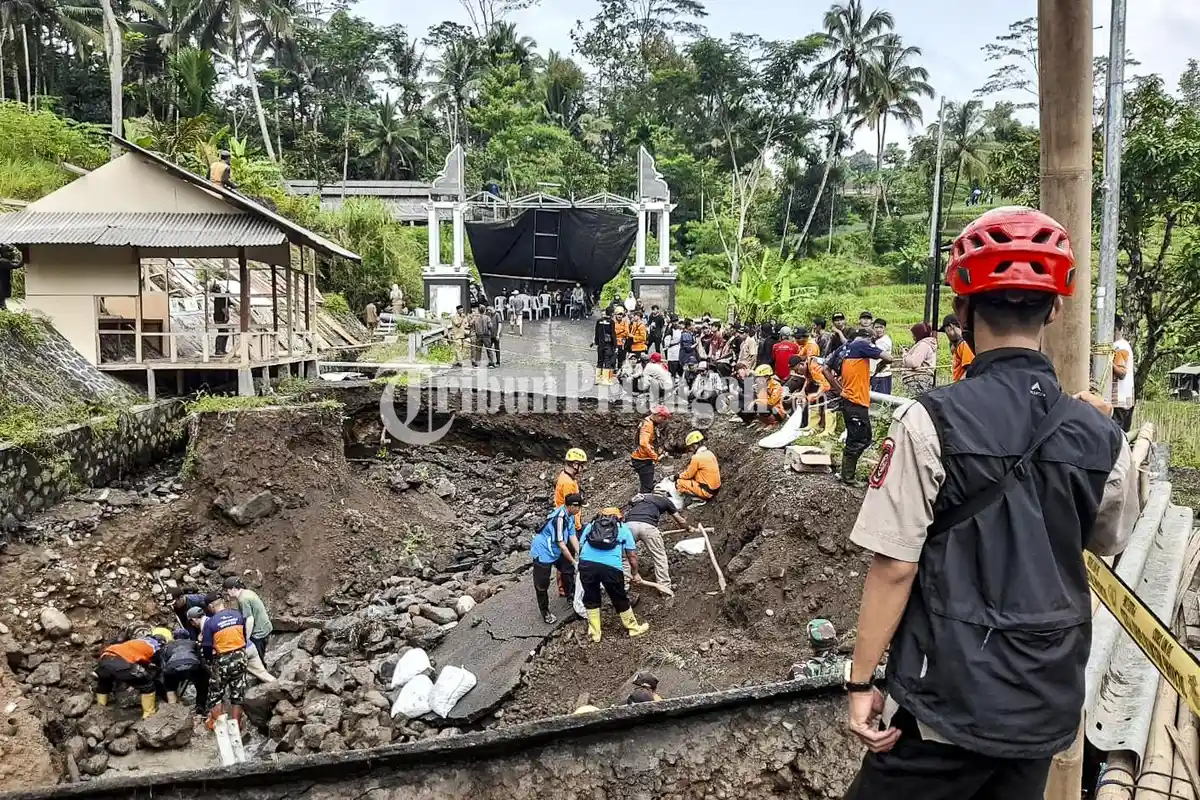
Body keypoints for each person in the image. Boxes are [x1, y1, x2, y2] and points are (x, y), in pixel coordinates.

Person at [842, 206, 1139, 800]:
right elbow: (1110, 539)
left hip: (948, 706)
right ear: (1056, 308)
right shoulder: (1099, 433)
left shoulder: (931, 420)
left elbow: (896, 566)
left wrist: (861, 682)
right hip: (1043, 702)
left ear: (961, 309)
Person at [822, 329, 891, 485]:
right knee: (859, 440)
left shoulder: (844, 348)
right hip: (856, 402)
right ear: (868, 339)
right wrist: (882, 362)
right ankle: (848, 477)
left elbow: (825, 368)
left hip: (850, 400)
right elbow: (889, 357)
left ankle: (846, 473)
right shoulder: (861, 344)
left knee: (862, 438)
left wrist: (839, 389)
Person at [577, 508, 650, 643]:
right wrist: (635, 573)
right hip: (611, 567)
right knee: (619, 597)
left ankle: (595, 634)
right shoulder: (622, 528)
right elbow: (632, 556)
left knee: (591, 596)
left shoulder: (592, 525)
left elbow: (581, 545)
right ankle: (633, 628)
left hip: (586, 564)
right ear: (619, 517)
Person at [531, 493, 583, 624]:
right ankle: (545, 611)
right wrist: (573, 560)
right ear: (571, 506)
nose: (580, 510)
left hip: (557, 550)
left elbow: (572, 537)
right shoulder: (558, 519)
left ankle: (570, 595)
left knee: (568, 570)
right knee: (542, 584)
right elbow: (562, 545)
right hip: (543, 551)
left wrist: (580, 554)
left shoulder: (570, 516)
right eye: (579, 507)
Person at [623, 489, 689, 591]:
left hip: (629, 526)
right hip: (649, 527)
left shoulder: (643, 498)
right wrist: (688, 528)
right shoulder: (665, 501)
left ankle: (624, 586)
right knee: (659, 557)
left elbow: (630, 505)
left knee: (624, 557)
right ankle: (664, 588)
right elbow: (680, 519)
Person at [95, 628, 170, 718]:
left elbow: (136, 656)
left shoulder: (137, 641)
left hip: (105, 658)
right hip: (122, 663)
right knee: (147, 684)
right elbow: (158, 668)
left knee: (105, 681)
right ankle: (149, 714)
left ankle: (100, 709)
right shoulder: (156, 647)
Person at [202, 596, 249, 730]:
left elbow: (206, 646)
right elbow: (244, 636)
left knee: (216, 694)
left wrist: (209, 661)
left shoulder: (210, 623)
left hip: (223, 660)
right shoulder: (237, 615)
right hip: (240, 656)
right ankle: (236, 726)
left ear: (211, 607)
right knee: (237, 692)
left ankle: (220, 726)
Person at [160, 630, 208, 715]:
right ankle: (200, 707)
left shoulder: (166, 647)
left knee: (170, 687)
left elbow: (163, 664)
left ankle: (173, 710)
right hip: (192, 666)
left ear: (174, 637)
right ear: (187, 637)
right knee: (202, 685)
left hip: (172, 668)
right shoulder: (194, 643)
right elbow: (200, 660)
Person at [224, 577, 273, 661]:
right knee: (262, 653)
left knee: (258, 658)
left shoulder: (243, 599)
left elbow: (250, 619)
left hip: (258, 633)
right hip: (266, 627)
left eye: (227, 590)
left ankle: (261, 670)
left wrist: (246, 639)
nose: (227, 593)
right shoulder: (248, 592)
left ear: (233, 589)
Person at [631, 406, 670, 493]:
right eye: (663, 419)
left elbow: (651, 441)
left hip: (642, 458)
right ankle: (643, 501)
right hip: (642, 460)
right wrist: (656, 457)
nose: (663, 421)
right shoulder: (648, 425)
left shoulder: (649, 421)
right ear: (658, 416)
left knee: (647, 481)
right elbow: (644, 444)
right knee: (646, 487)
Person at [675, 430, 721, 503]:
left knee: (679, 483)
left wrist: (677, 476)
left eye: (690, 447)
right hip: (715, 489)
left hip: (707, 491)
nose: (690, 450)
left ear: (694, 445)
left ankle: (697, 499)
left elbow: (688, 475)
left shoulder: (696, 458)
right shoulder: (710, 453)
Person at [1111, 314, 1135, 433]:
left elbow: (1121, 373)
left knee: (1116, 435)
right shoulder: (1123, 345)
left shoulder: (1119, 347)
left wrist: (1105, 362)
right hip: (1125, 400)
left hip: (1118, 402)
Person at [901, 322, 938, 396]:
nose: (913, 337)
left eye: (914, 334)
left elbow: (914, 363)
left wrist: (905, 355)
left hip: (917, 380)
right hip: (919, 380)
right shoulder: (925, 344)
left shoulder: (923, 345)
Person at [556, 448, 588, 535]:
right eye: (582, 465)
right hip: (570, 525)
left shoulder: (565, 475)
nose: (584, 468)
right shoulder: (568, 483)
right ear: (575, 465)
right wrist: (577, 526)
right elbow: (571, 508)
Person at [941, 314, 975, 382]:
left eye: (945, 331)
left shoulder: (964, 344)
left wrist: (959, 386)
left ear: (950, 327)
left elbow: (970, 369)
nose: (946, 334)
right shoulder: (958, 344)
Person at [592, 306, 617, 385]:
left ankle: (597, 379)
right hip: (608, 344)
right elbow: (613, 334)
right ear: (612, 313)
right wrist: (615, 346)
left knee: (599, 361)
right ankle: (605, 380)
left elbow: (596, 333)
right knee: (607, 361)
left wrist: (596, 342)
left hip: (600, 344)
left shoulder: (599, 321)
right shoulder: (611, 322)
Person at [870, 318, 894, 395]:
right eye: (876, 327)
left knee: (881, 402)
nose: (879, 330)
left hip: (882, 375)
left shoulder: (885, 341)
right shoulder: (874, 340)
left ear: (884, 329)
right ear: (873, 328)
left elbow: (873, 352)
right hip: (875, 375)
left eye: (881, 327)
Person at [469, 302, 493, 368]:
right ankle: (491, 362)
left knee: (478, 350)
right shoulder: (487, 317)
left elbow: (471, 324)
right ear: (484, 310)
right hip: (486, 335)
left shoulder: (476, 318)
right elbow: (490, 326)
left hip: (478, 335)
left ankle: (477, 363)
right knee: (488, 349)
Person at [211, 280, 230, 356]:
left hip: (219, 317)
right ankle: (219, 350)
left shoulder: (219, 297)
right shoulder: (219, 297)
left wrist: (227, 296)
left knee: (225, 332)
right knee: (222, 332)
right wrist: (226, 315)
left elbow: (227, 303)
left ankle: (222, 349)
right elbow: (223, 307)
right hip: (220, 318)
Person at [488, 302, 504, 367]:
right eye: (488, 310)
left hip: (496, 334)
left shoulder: (497, 315)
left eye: (490, 309)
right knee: (489, 348)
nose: (489, 311)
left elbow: (500, 324)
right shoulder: (489, 315)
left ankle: (498, 361)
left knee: (497, 348)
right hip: (490, 335)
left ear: (493, 308)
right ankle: (491, 361)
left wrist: (498, 334)